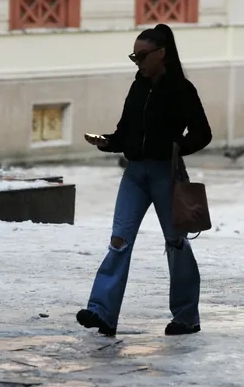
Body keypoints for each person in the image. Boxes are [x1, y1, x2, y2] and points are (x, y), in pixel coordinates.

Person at [78, 23, 212, 337]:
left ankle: (186, 317)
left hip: (166, 174)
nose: (137, 62)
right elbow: (125, 132)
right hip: (135, 174)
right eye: (134, 56)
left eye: (142, 55)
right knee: (119, 240)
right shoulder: (137, 88)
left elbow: (203, 133)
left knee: (176, 244)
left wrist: (176, 149)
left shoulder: (181, 89)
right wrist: (107, 142)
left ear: (161, 53)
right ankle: (102, 312)